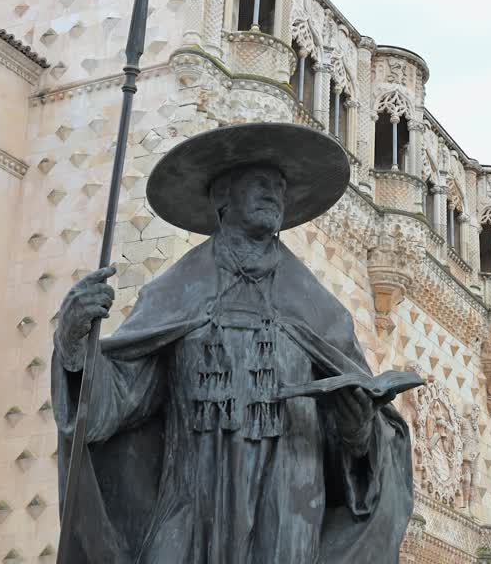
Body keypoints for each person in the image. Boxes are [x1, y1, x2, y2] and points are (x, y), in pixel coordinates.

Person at [52, 122, 415, 563]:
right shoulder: (173, 293)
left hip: (287, 514)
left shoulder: (319, 309)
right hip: (190, 505)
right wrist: (74, 343)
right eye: (260, 183)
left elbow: (361, 440)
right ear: (222, 196)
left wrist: (359, 432)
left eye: (280, 186)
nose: (274, 194)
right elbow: (115, 401)